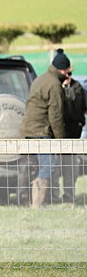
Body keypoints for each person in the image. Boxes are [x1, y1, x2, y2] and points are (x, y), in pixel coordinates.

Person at [20, 48, 68, 209]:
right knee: (48, 164)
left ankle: (32, 200)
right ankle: (37, 204)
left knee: (36, 166)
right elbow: (56, 116)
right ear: (63, 69)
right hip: (41, 131)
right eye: (67, 70)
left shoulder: (41, 79)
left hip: (29, 130)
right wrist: (61, 142)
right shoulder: (54, 85)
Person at [55, 66, 86, 203]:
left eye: (69, 73)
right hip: (57, 134)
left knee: (71, 168)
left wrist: (80, 122)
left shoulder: (77, 87)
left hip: (72, 135)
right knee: (55, 168)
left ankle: (69, 195)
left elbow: (82, 106)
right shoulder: (55, 87)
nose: (68, 76)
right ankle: (53, 196)